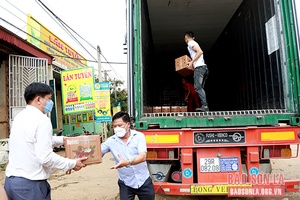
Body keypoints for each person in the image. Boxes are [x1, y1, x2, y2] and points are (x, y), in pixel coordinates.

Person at [4, 82, 87, 200]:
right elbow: (45, 157)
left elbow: (35, 140)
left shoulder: (19, 117)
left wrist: (64, 140)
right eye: (49, 99)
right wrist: (72, 163)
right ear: (39, 99)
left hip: (12, 183)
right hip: (31, 185)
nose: (50, 103)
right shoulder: (42, 120)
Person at [101, 111, 154, 200]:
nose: (117, 128)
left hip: (143, 180)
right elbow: (96, 153)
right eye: (114, 126)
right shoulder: (111, 141)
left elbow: (143, 156)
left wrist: (127, 163)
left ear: (128, 124)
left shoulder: (139, 136)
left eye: (120, 125)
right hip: (126, 182)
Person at [184, 31, 209, 111]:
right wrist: (191, 63)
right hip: (203, 68)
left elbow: (200, 52)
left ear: (186, 38)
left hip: (200, 69)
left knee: (198, 88)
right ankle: (204, 106)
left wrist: (191, 62)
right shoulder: (193, 42)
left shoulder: (190, 43)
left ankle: (205, 106)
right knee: (200, 88)